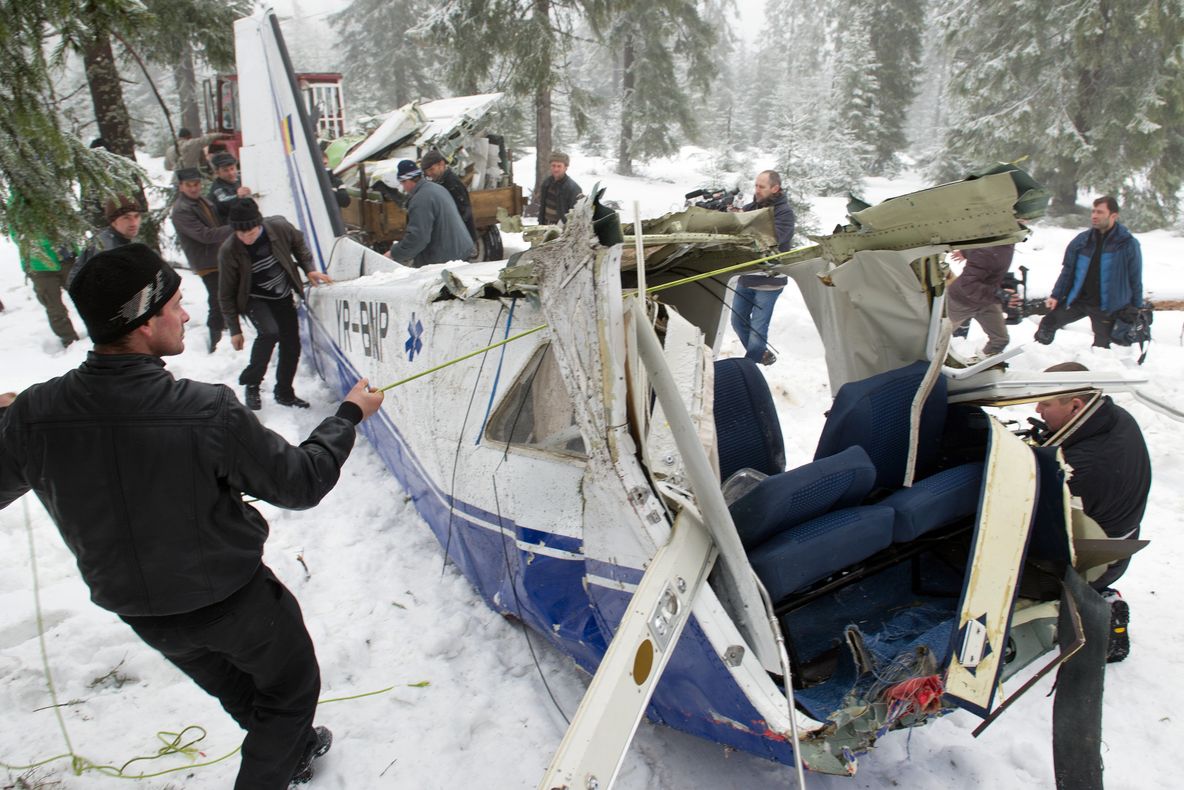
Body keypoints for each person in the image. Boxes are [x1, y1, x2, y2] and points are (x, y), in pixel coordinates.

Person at [0, 243, 384, 788]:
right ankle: (274, 765)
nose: (185, 315)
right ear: (142, 320)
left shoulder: (35, 415)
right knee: (290, 688)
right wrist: (348, 415)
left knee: (240, 690)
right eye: (176, 305)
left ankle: (291, 749)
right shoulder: (206, 411)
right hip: (232, 602)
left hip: (142, 612)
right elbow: (300, 482)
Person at [1036, 362, 1151, 661]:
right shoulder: (1114, 417)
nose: (1037, 409)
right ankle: (1097, 598)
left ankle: (1088, 608)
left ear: (1075, 406)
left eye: (1045, 404)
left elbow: (1032, 523)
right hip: (1118, 544)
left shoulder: (1083, 470)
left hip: (1097, 563)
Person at [219, 198, 331, 410]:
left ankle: (284, 392)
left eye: (250, 232)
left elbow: (298, 243)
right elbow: (225, 293)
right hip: (255, 298)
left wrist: (308, 268)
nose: (246, 238)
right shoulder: (229, 250)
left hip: (282, 293)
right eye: (240, 234)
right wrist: (234, 329)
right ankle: (252, 384)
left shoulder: (279, 227)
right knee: (270, 333)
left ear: (259, 224)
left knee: (292, 344)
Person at [1035, 196, 1142, 348]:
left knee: (1102, 349)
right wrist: (1056, 295)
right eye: (1093, 211)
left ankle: (1098, 367)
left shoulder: (1127, 244)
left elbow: (1135, 277)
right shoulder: (1082, 241)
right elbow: (1068, 271)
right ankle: (1037, 356)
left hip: (1107, 306)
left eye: (1099, 212)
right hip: (1079, 300)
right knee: (1047, 324)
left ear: (1114, 215)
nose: (1094, 216)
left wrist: (1136, 307)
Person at [730, 170, 795, 366]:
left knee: (758, 330)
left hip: (769, 280)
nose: (757, 190)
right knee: (737, 322)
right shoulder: (752, 207)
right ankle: (761, 354)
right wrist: (733, 219)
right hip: (748, 276)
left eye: (762, 187)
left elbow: (774, 238)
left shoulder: (784, 213)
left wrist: (745, 223)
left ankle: (751, 367)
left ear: (775, 188)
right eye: (756, 185)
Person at [171, 166, 234, 353]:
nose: (194, 188)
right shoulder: (181, 210)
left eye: (197, 184)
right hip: (207, 262)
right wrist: (235, 227)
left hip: (218, 257)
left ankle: (224, 334)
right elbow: (205, 235)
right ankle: (215, 340)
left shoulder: (202, 201)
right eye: (189, 185)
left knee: (224, 296)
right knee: (217, 299)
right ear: (181, 186)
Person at [382, 160, 475, 267]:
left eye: (402, 183)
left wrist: (394, 253)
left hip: (447, 258)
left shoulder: (421, 199)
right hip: (460, 250)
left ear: (408, 180)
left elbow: (418, 237)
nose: (403, 188)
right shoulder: (436, 188)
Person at [946, 243, 1018, 357]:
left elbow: (982, 245)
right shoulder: (989, 250)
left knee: (1000, 340)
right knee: (935, 340)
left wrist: (965, 251)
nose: (1026, 224)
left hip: (987, 301)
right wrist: (999, 294)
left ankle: (979, 368)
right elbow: (968, 285)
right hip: (961, 301)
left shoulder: (1006, 241)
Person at [69, 195, 143, 286]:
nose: (134, 223)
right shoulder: (107, 248)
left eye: (136, 216)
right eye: (126, 218)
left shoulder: (121, 239)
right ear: (113, 221)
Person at [420, 149, 477, 246]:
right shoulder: (440, 182)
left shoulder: (452, 184)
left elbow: (464, 211)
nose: (429, 174)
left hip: (459, 239)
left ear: (441, 164)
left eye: (431, 169)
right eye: (427, 172)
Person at [536, 151, 583, 226]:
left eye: (559, 166)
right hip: (545, 227)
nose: (556, 169)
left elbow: (575, 215)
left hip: (562, 231)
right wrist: (540, 224)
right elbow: (542, 207)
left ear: (565, 168)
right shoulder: (546, 183)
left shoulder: (573, 188)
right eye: (553, 165)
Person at [208, 152, 253, 223]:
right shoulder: (217, 188)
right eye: (225, 170)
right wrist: (238, 196)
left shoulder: (240, 179)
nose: (231, 173)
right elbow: (224, 202)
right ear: (217, 172)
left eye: (232, 168)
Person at [164, 127, 230, 172]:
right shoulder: (192, 144)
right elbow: (207, 138)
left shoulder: (169, 150)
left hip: (176, 179)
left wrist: (177, 167)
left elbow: (167, 167)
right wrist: (221, 135)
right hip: (189, 177)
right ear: (189, 136)